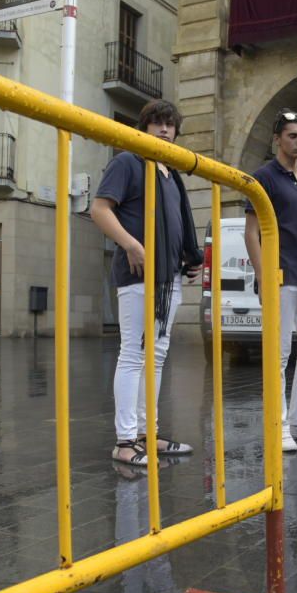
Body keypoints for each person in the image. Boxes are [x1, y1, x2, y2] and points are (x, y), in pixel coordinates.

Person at [90, 99, 201, 465]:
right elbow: (100, 208)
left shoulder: (171, 174)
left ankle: (145, 434)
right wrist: (130, 244)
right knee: (134, 355)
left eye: (170, 124)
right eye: (157, 123)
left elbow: (181, 224)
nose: (165, 130)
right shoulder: (128, 162)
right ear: (144, 128)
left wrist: (191, 259)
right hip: (138, 276)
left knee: (155, 357)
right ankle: (125, 441)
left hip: (167, 277)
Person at [244, 109, 297, 452]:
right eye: (293, 136)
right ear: (277, 139)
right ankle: (277, 426)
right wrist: (262, 275)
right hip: (280, 276)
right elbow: (252, 233)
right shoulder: (263, 177)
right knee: (278, 355)